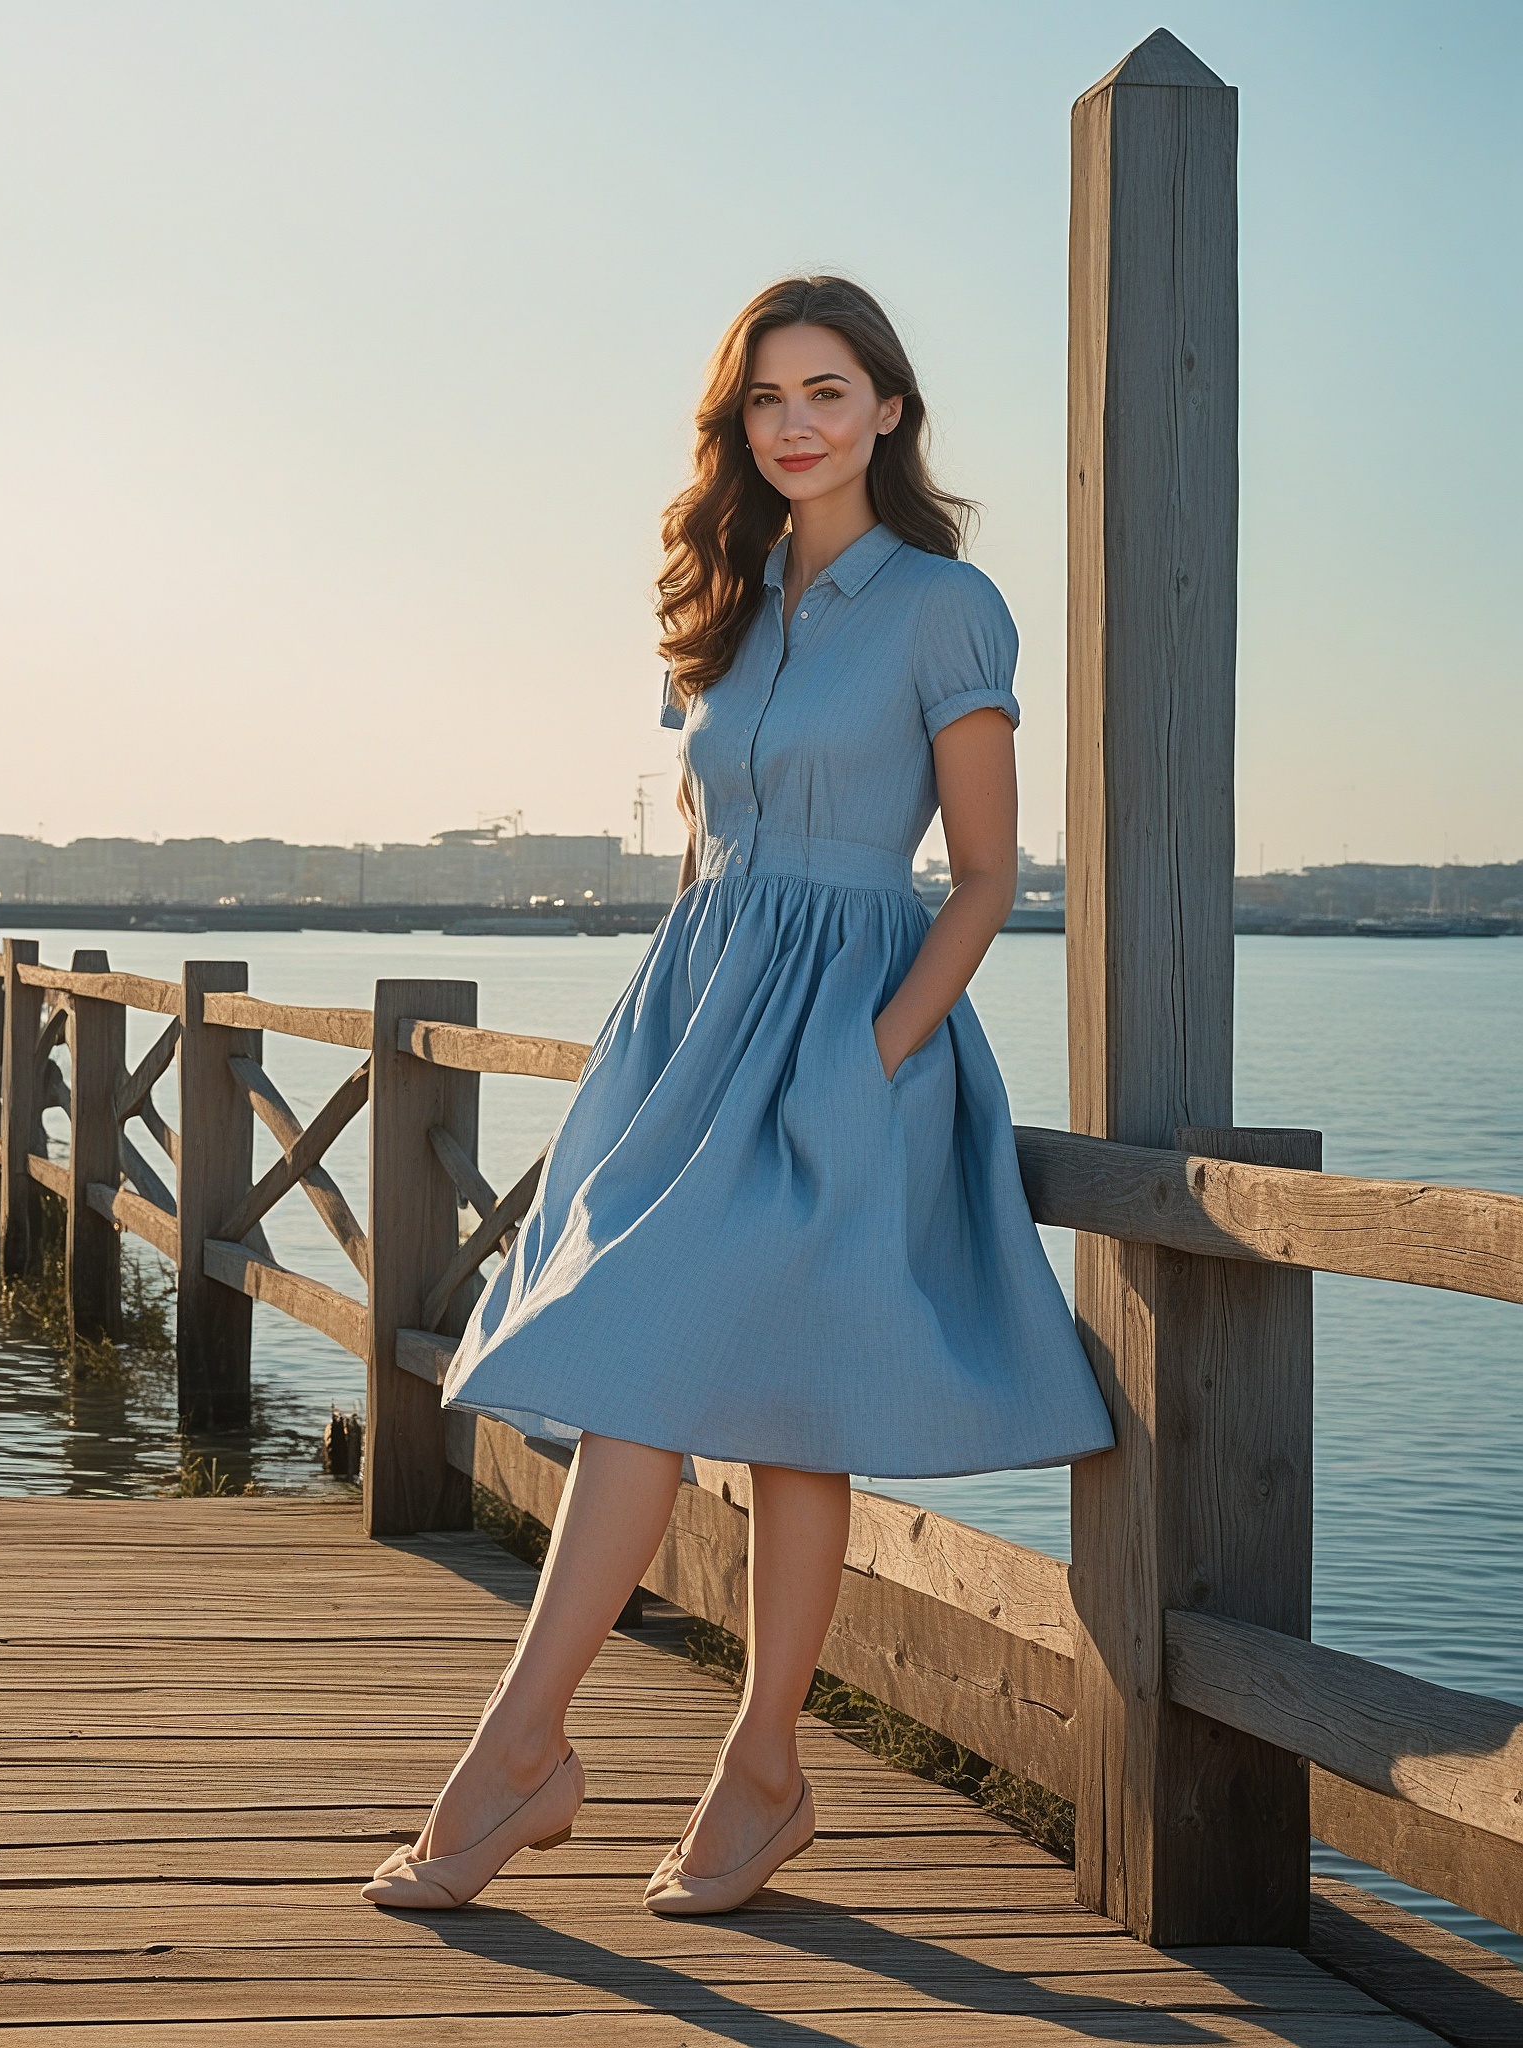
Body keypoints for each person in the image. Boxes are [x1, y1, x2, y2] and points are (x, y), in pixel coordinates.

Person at [361, 276, 1115, 1918]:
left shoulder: (946, 605)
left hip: (851, 1037)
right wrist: (672, 1027)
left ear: (889, 410)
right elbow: (709, 848)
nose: (798, 424)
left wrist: (874, 1056)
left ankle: (601, 1758)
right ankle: (704, 1773)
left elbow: (985, 877)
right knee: (645, 1355)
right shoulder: (723, 596)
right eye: (768, 398)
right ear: (739, 422)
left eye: (830, 392)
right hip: (695, 1027)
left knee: (781, 1413)